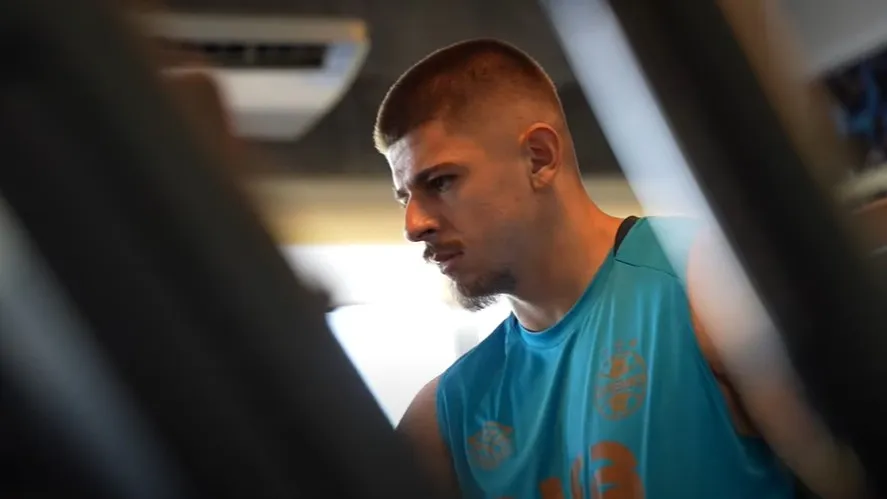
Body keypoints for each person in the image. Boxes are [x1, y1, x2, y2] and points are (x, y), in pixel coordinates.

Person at [373, 39, 869, 498]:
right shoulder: (443, 418)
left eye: (439, 182)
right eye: (404, 198)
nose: (414, 224)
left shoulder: (706, 282)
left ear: (539, 158)